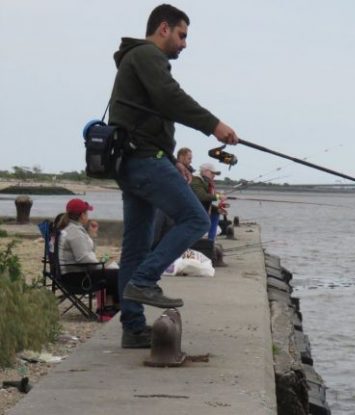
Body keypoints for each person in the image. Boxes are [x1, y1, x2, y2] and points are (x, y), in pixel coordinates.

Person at [109, 4, 239, 348]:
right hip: (143, 161)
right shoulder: (147, 55)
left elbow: (146, 120)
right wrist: (213, 125)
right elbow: (170, 98)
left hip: (133, 161)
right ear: (163, 28)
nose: (184, 43)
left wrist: (171, 159)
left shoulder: (135, 59)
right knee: (196, 219)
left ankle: (133, 329)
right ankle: (145, 281)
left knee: (136, 247)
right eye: (182, 35)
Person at [57, 199, 119, 314]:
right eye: (87, 213)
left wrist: (92, 235)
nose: (88, 216)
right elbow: (83, 258)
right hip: (77, 278)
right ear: (82, 215)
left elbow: (89, 252)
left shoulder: (74, 229)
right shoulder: (74, 232)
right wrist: (101, 266)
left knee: (113, 270)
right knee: (117, 274)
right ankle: (110, 307)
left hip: (74, 274)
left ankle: (109, 306)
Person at [191, 162, 228, 241]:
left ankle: (211, 240)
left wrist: (217, 209)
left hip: (201, 207)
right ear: (205, 171)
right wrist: (218, 196)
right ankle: (205, 240)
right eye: (212, 173)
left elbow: (206, 201)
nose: (214, 175)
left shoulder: (207, 182)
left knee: (216, 212)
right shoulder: (196, 180)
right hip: (192, 209)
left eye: (215, 174)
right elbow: (201, 196)